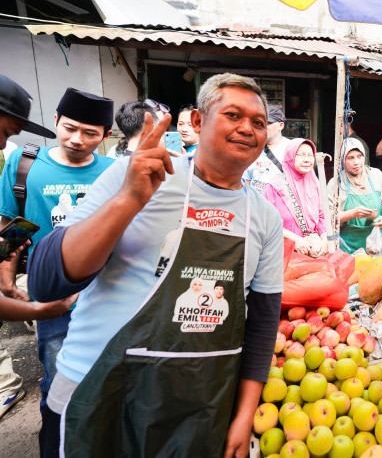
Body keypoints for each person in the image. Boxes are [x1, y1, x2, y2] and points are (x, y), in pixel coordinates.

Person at [28, 73, 283, 456]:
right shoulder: (140, 175)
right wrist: (129, 199)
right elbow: (46, 281)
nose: (247, 128)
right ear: (197, 121)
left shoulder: (265, 218)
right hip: (98, 394)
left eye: (258, 122)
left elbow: (262, 327)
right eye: (233, 115)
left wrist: (244, 415)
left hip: (197, 410)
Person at [0, 87, 114, 439]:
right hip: (49, 286)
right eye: (69, 128)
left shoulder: (115, 171)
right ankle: (57, 433)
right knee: (56, 364)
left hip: (106, 287)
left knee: (108, 367)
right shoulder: (25, 164)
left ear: (106, 136)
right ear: (55, 121)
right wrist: (5, 274)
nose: (77, 139)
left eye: (90, 133)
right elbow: (12, 226)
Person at [0, 74, 75, 420]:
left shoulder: (110, 168)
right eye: (4, 133)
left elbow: (7, 235)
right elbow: (6, 221)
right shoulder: (22, 164)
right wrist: (38, 310)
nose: (3, 146)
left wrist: (6, 273)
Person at [327, 138, 382, 254]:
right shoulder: (336, 183)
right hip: (348, 248)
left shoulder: (376, 175)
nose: (356, 162)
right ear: (342, 161)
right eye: (350, 158)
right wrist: (352, 214)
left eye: (359, 156)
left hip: (377, 245)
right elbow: (328, 217)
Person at [264, 138, 327, 257]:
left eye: (310, 155)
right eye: (301, 155)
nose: (307, 160)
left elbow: (322, 217)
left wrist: (324, 240)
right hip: (283, 254)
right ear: (290, 157)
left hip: (312, 254)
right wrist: (295, 240)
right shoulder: (275, 186)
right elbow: (266, 223)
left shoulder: (315, 183)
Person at [244, 104, 291, 193]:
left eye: (268, 123)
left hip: (281, 204)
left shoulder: (292, 148)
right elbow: (247, 179)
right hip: (256, 204)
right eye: (260, 123)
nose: (263, 126)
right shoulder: (251, 148)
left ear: (281, 125)